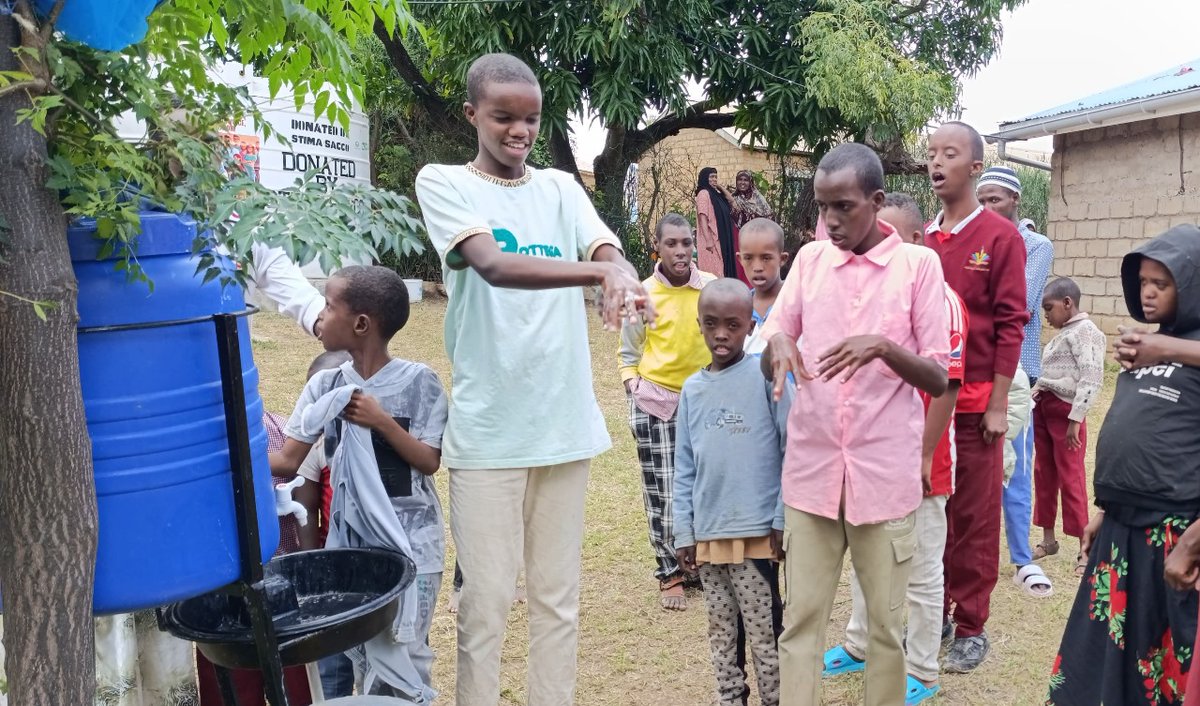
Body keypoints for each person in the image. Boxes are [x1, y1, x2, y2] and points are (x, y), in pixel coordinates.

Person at [413, 53, 652, 705]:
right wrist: (597, 275)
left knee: (558, 602)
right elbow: (491, 264)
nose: (519, 130)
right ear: (472, 116)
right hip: (490, 432)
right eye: (503, 118)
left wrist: (620, 274)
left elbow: (605, 247)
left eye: (531, 119)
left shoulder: (558, 189)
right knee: (485, 602)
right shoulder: (443, 183)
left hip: (562, 424)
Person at [762, 143, 949, 706]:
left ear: (876, 200)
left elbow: (939, 377)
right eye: (823, 208)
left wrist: (885, 348)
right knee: (801, 623)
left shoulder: (919, 267)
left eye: (844, 206)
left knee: (886, 632)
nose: (832, 221)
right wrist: (781, 345)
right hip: (812, 474)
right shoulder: (812, 261)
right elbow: (776, 328)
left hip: (883, 477)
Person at [270, 265, 448, 701]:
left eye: (329, 307)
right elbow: (289, 461)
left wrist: (382, 422)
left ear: (361, 324)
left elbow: (428, 461)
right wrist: (230, 454)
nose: (321, 316)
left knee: (405, 656)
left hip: (414, 548)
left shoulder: (419, 382)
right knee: (360, 656)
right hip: (351, 551)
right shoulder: (324, 386)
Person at [821, 192, 965, 705]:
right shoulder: (866, 289)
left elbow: (946, 386)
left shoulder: (942, 299)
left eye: (892, 236)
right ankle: (860, 644)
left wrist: (925, 457)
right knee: (868, 557)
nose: (880, 247)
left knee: (923, 568)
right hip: (873, 457)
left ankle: (923, 669)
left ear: (918, 241)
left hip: (925, 462)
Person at [1047, 225, 1200, 705]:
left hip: (1173, 535)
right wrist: (1106, 509)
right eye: (1144, 282)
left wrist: (1194, 543)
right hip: (1123, 530)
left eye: (1163, 283)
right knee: (1103, 666)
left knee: (1165, 667)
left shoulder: (1177, 349)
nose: (1148, 292)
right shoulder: (1153, 347)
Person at [925, 121, 1029, 672]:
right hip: (928, 408)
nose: (936, 162)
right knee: (931, 512)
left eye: (949, 153)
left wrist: (996, 404)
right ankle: (934, 609)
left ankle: (971, 624)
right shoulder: (924, 239)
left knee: (975, 516)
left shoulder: (1000, 237)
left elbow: (1011, 324)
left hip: (978, 406)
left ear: (973, 166)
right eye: (931, 154)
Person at [673, 279, 788, 706]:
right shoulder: (692, 390)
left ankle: (775, 699)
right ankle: (730, 696)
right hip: (708, 536)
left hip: (756, 534)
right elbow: (683, 465)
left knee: (764, 631)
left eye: (733, 325)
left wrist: (781, 517)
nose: (721, 334)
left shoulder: (764, 377)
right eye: (712, 324)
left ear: (750, 324)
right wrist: (684, 530)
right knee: (722, 628)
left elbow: (788, 446)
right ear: (699, 325)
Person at [619, 213, 717, 611]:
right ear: (656, 248)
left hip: (704, 403)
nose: (681, 250)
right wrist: (633, 386)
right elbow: (628, 351)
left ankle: (701, 567)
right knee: (662, 491)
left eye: (687, 242)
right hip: (655, 403)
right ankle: (669, 572)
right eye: (672, 243)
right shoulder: (639, 294)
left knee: (704, 489)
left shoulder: (711, 288)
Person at [976, 165, 1055, 583]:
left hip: (1018, 369)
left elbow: (1018, 303)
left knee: (1017, 464)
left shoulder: (1036, 245)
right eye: (982, 199)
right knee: (974, 463)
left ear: (1015, 201)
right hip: (974, 367)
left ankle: (1023, 557)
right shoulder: (973, 239)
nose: (988, 207)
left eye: (996, 199)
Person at [1032, 277, 1107, 578]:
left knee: (1071, 477)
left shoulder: (1087, 332)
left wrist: (1076, 418)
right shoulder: (1063, 333)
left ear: (1067, 303)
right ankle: (1048, 540)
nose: (1045, 315)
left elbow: (1091, 377)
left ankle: (1084, 549)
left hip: (1066, 414)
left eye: (1048, 308)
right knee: (1044, 473)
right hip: (1045, 407)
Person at [738, 217, 790, 357]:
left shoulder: (797, 301)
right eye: (748, 258)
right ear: (740, 259)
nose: (757, 267)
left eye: (766, 258)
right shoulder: (738, 308)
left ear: (782, 259)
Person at [696, 167, 739, 279]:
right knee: (715, 271)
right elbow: (702, 217)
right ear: (705, 178)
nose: (714, 179)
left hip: (720, 237)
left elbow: (732, 201)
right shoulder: (703, 193)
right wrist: (708, 240)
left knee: (723, 269)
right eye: (711, 177)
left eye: (716, 177)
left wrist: (719, 186)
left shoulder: (715, 194)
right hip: (711, 239)